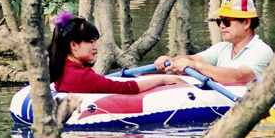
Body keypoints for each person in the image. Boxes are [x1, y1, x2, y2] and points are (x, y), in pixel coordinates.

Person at [154, 0, 273, 84]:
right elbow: (194, 59)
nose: (221, 26)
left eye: (227, 21)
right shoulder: (222, 48)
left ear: (246, 22)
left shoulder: (261, 50)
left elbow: (239, 76)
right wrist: (172, 60)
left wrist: (196, 67)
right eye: (219, 21)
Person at [49, 13, 185, 94]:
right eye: (90, 42)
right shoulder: (81, 76)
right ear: (73, 45)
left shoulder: (61, 69)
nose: (95, 47)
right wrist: (163, 79)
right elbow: (127, 88)